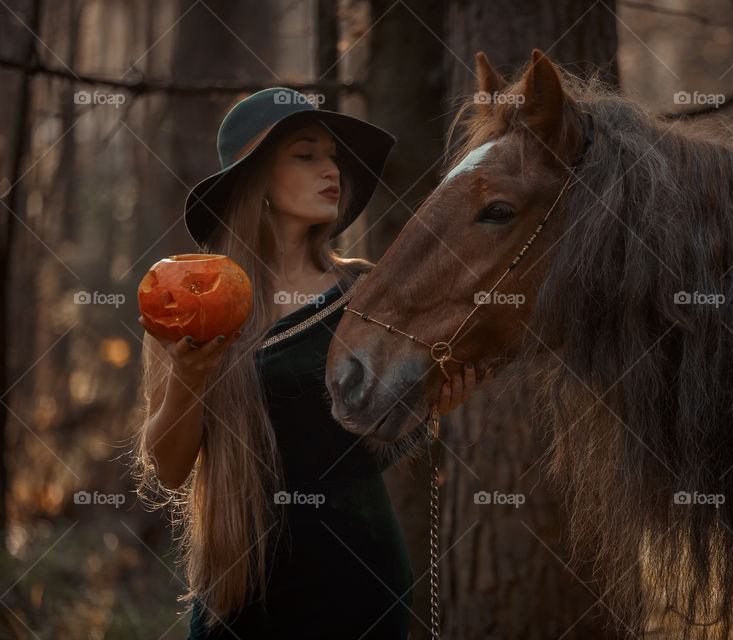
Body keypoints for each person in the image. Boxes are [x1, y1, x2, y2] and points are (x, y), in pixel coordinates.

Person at [131, 87, 492, 639]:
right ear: (256, 181)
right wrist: (188, 381)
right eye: (306, 154)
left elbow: (369, 446)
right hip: (239, 582)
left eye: (334, 156)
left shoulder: (368, 291)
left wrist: (428, 409)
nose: (332, 169)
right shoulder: (188, 296)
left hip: (358, 575)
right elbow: (170, 470)